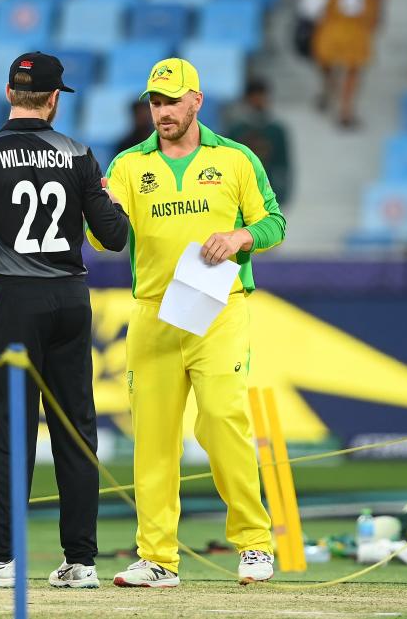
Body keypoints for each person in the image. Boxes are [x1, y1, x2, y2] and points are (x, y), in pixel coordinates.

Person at [87, 58, 286, 588]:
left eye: (171, 101)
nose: (162, 112)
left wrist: (241, 238)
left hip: (220, 307)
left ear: (196, 100)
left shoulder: (236, 158)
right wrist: (99, 206)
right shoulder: (129, 165)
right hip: (155, 311)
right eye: (154, 102)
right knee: (152, 438)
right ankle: (157, 558)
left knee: (222, 420)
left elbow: (273, 222)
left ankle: (254, 543)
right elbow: (105, 239)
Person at [0, 52, 130, 589]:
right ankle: (81, 562)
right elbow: (114, 237)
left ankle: (3, 557)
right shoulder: (78, 155)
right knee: (75, 431)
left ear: (8, 93)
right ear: (53, 100)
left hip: (13, 301)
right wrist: (109, 200)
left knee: (11, 433)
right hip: (71, 300)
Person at [312, 0, 383, 128]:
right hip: (332, 21)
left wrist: (377, 13)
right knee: (324, 61)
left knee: (353, 67)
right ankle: (330, 87)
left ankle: (345, 111)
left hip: (357, 25)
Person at [225, 79, 292, 206]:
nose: (259, 101)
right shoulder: (235, 130)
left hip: (269, 192)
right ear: (247, 99)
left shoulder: (276, 131)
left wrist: (282, 193)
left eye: (262, 96)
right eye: (255, 97)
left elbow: (283, 164)